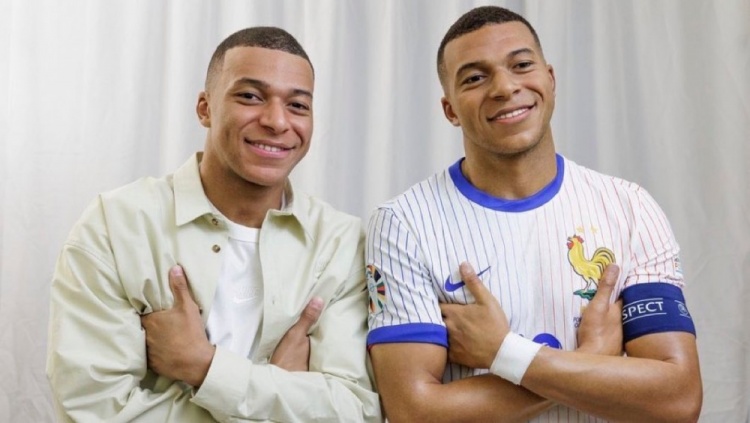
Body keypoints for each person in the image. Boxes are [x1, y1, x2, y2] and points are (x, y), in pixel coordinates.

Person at [365, 6, 702, 422]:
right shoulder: (403, 224)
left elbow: (678, 399)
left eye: (522, 65)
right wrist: (591, 357)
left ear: (550, 79)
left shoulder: (630, 207)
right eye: (475, 78)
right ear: (450, 109)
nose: (505, 87)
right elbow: (413, 411)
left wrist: (504, 352)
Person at [47, 26, 381, 422]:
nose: (277, 121)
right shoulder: (116, 226)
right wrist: (275, 393)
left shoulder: (342, 243)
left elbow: (356, 411)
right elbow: (92, 410)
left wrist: (202, 366)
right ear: (205, 108)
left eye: (297, 105)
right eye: (250, 96)